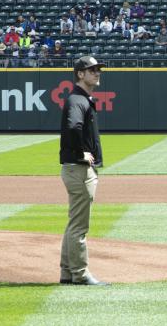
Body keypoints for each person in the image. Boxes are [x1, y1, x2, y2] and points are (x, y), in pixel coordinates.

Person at [59, 56, 106, 286]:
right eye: (92, 70)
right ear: (80, 74)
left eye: (98, 69)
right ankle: (80, 273)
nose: (97, 73)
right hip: (78, 170)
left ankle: (67, 272)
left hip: (74, 169)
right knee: (79, 226)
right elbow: (73, 126)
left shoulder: (80, 99)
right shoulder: (78, 100)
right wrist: (81, 153)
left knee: (73, 222)